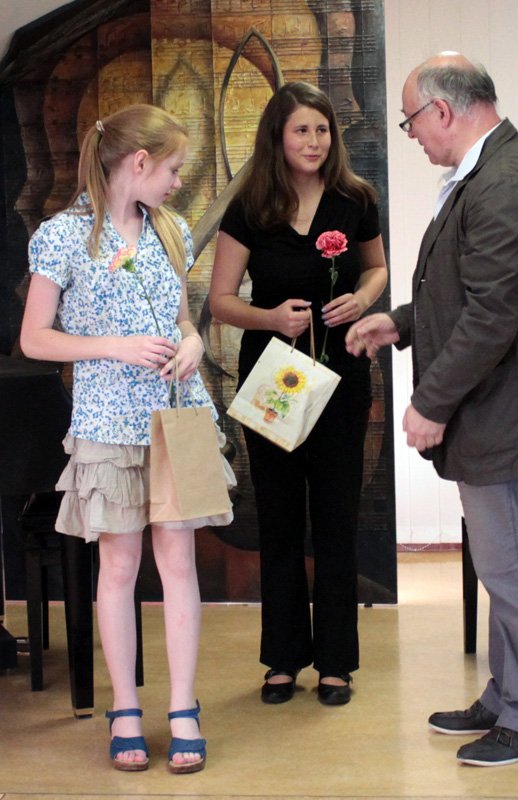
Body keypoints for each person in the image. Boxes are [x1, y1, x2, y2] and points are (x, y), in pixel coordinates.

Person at [346, 53, 518, 765]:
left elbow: (490, 318)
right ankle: (507, 695)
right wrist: (400, 323)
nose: (413, 136)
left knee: (515, 572)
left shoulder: (503, 182)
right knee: (503, 565)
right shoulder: (489, 171)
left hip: (507, 415)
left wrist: (430, 402)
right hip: (501, 409)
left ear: (443, 111)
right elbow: (462, 291)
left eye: (411, 121)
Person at [20, 104, 234, 773]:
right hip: (109, 424)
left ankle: (183, 707)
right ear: (138, 163)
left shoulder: (169, 229)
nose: (177, 181)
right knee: (118, 568)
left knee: (179, 564)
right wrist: (113, 346)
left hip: (180, 416)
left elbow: (182, 319)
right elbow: (34, 339)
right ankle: (126, 709)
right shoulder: (63, 236)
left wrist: (192, 343)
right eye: (172, 169)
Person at [209, 81, 387, 705]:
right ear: (277, 138)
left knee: (336, 518)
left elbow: (376, 268)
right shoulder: (251, 208)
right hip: (273, 381)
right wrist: (270, 318)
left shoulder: (355, 199)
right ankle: (282, 660)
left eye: (322, 130)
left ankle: (336, 663)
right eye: (301, 131)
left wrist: (362, 299)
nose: (314, 142)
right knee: (280, 519)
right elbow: (220, 300)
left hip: (342, 377)